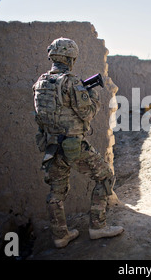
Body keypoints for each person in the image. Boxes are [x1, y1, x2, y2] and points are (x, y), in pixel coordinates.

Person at [33, 37, 123, 248]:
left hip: (51, 147)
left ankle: (60, 235)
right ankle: (98, 227)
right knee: (105, 177)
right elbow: (87, 113)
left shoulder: (39, 83)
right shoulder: (70, 82)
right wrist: (92, 95)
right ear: (70, 58)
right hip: (73, 146)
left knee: (56, 192)